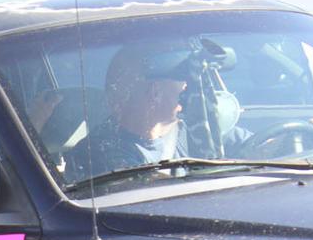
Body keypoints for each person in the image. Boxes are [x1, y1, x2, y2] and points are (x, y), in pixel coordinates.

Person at [65, 41, 251, 182]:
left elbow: (254, 145)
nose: (193, 86)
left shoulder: (195, 129)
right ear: (155, 91)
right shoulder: (96, 155)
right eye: (185, 78)